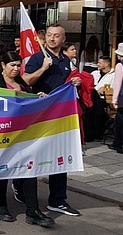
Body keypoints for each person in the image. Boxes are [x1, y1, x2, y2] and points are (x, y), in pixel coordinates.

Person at [0, 51, 55, 228]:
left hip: (22, 134)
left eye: (18, 65)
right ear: (3, 65)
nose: (15, 69)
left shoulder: (21, 81)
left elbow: (27, 101)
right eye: (12, 65)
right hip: (1, 134)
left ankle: (33, 210)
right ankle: (0, 206)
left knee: (29, 169)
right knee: (2, 169)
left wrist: (38, 98)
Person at [21, 23, 81, 216]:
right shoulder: (38, 58)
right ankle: (19, 185)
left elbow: (64, 84)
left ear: (63, 39)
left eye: (56, 36)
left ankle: (57, 199)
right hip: (38, 115)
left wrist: (75, 82)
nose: (52, 38)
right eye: (49, 35)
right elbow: (26, 81)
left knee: (59, 156)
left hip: (59, 114)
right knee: (33, 155)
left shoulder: (66, 60)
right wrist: (42, 69)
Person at [85, 56, 116, 141]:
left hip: (104, 99)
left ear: (106, 64)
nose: (97, 64)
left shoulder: (114, 75)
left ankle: (96, 133)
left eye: (100, 63)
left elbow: (113, 88)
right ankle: (88, 132)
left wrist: (103, 89)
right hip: (92, 97)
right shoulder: (95, 73)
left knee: (96, 105)